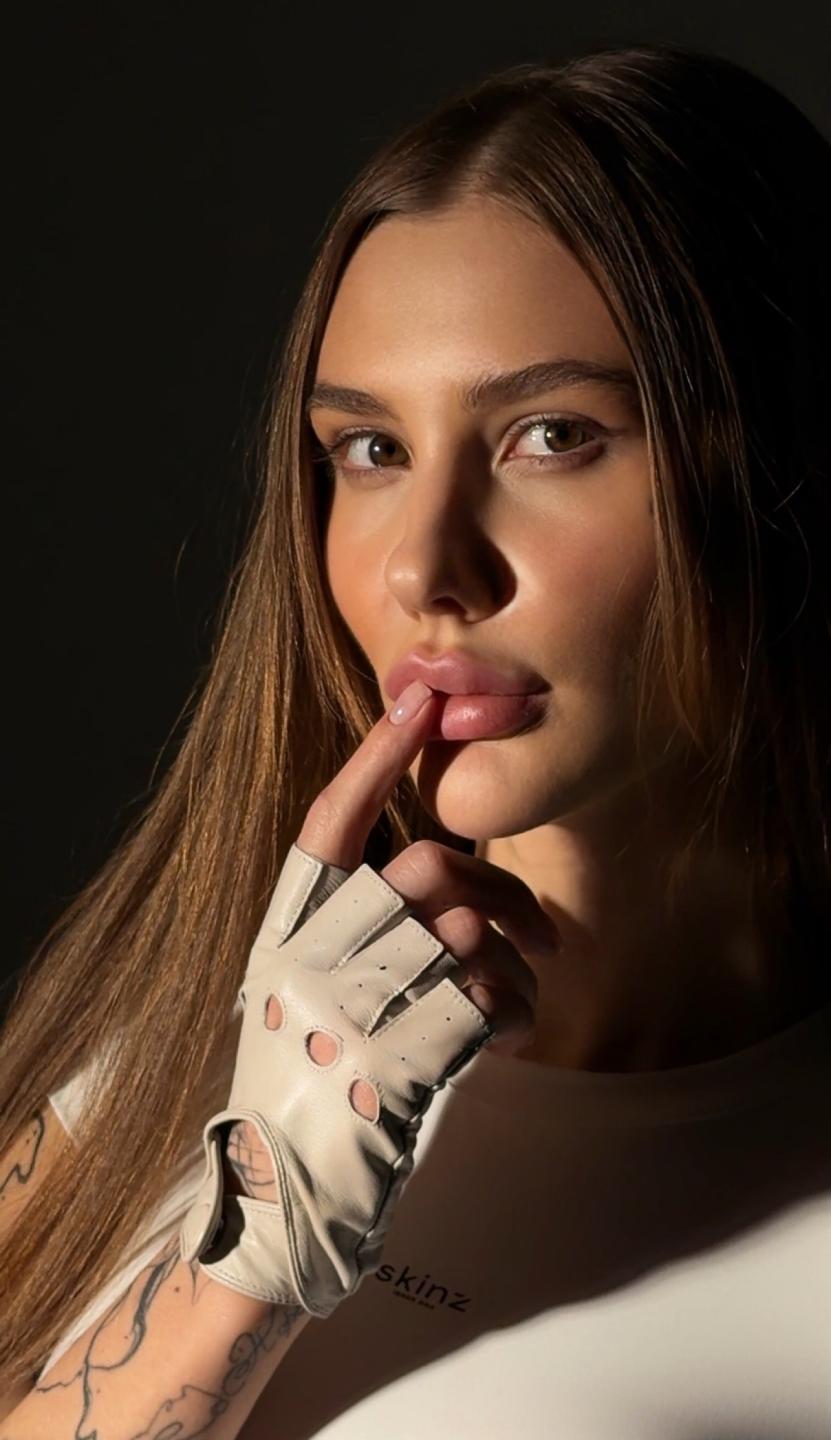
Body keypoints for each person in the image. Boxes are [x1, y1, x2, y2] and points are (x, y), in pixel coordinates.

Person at [2, 39, 831, 1439]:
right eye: (371, 450)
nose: (424, 568)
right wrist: (252, 1251)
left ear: (778, 466)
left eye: (551, 435)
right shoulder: (170, 1045)